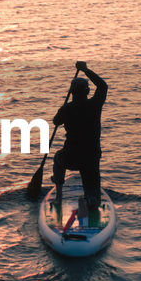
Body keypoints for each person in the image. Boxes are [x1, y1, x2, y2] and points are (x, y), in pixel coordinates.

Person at [52, 61, 107, 213]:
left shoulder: (66, 109)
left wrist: (63, 108)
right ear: (88, 92)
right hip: (91, 158)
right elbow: (103, 86)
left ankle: (58, 196)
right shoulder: (95, 105)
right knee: (92, 191)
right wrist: (86, 70)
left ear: (71, 92)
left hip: (71, 157)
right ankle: (91, 200)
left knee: (57, 158)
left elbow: (56, 121)